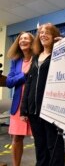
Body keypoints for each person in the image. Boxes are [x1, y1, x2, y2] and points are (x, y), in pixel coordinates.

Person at [20, 23, 65, 166]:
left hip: (50, 110)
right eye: (41, 32)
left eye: (47, 33)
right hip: (34, 111)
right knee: (40, 146)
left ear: (53, 36)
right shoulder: (35, 57)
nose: (43, 35)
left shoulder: (58, 56)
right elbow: (28, 84)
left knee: (54, 146)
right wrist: (24, 109)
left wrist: (63, 47)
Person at [6, 32, 34, 166]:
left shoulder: (38, 58)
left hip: (34, 104)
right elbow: (9, 82)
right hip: (18, 106)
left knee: (40, 138)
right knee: (16, 138)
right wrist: (23, 75)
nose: (23, 40)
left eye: (26, 38)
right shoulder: (15, 61)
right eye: (21, 39)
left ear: (32, 42)